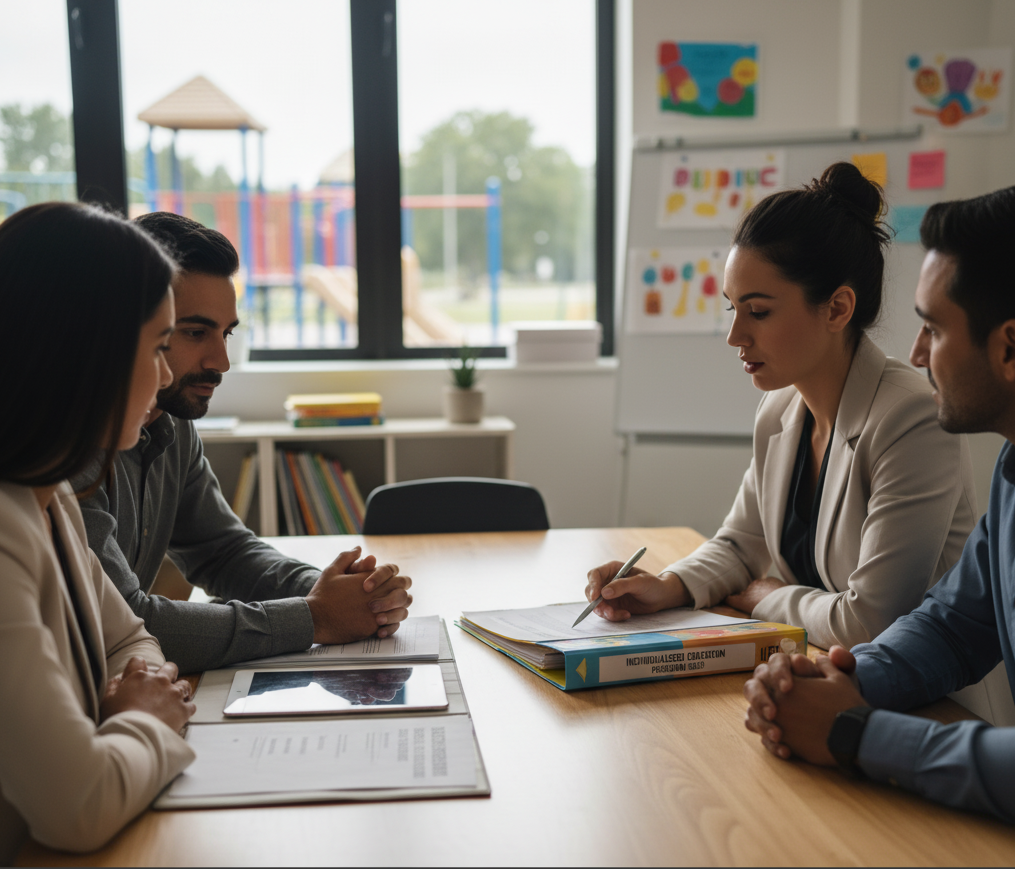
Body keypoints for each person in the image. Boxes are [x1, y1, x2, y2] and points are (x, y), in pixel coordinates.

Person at [585, 163, 978, 649]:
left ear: (837, 308)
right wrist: (667, 587)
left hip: (928, 707)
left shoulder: (911, 418)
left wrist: (768, 596)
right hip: (823, 674)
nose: (735, 336)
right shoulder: (780, 411)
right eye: (733, 308)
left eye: (759, 312)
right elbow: (738, 545)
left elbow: (872, 621)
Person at [743, 185, 1015, 823]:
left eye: (934, 328)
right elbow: (953, 628)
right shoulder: (1013, 469)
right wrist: (843, 679)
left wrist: (855, 732)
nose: (918, 355)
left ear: (1009, 347)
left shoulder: (907, 412)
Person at [74, 212, 413, 675]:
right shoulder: (60, 448)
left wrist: (335, 591)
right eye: (195, 333)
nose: (222, 362)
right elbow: (127, 623)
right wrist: (314, 617)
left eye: (226, 333)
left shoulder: (172, 423)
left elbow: (223, 552)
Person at [0, 202, 196, 860]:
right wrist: (144, 716)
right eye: (158, 346)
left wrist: (124, 718)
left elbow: (130, 641)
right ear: (91, 352)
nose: (167, 375)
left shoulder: (46, 487)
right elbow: (79, 807)